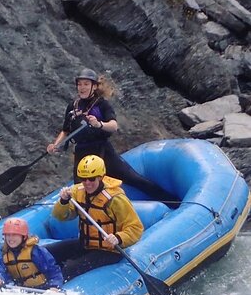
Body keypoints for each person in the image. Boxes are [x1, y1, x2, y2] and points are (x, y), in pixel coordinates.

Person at [46, 68, 176, 202]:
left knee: (135, 179)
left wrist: (99, 124)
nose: (82, 88)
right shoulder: (72, 106)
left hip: (103, 151)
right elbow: (66, 130)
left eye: (86, 84)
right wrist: (56, 145)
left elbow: (114, 126)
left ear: (94, 86)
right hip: (82, 155)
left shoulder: (102, 104)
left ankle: (172, 201)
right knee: (81, 193)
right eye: (79, 84)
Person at [47, 155, 144, 281]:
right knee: (46, 253)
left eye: (92, 179)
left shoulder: (115, 199)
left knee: (69, 268)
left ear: (100, 176)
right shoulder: (77, 191)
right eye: (84, 179)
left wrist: (119, 238)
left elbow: (136, 228)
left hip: (110, 250)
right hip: (86, 245)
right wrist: (64, 201)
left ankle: (56, 289)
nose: (87, 183)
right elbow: (61, 216)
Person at [0, 218, 63, 290]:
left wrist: (54, 286)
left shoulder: (36, 252)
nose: (11, 238)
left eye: (14, 235)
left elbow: (53, 271)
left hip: (42, 289)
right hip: (22, 291)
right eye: (8, 235)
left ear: (24, 237)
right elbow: (0, 271)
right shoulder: (5, 255)